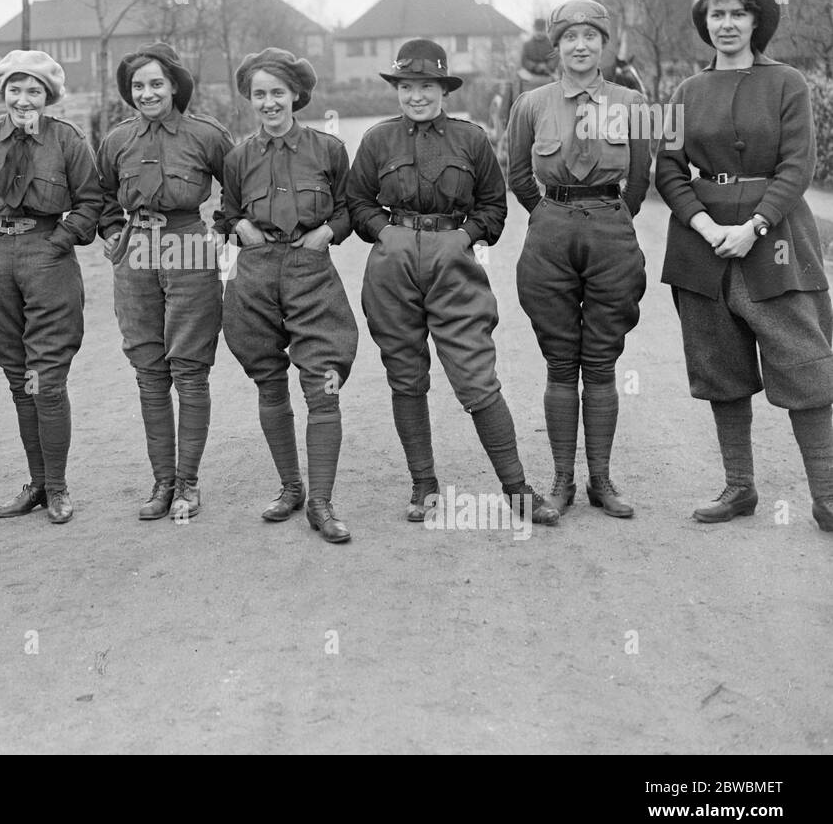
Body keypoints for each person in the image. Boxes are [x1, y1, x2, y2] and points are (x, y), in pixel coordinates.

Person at [346, 39, 559, 526]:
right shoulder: (378, 140)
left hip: (453, 265)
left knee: (476, 377)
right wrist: (387, 235)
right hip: (393, 267)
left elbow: (493, 207)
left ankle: (517, 489)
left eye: (426, 86)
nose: (416, 96)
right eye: (406, 86)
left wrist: (462, 237)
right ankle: (423, 485)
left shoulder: (471, 139)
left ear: (444, 89)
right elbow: (356, 202)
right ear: (396, 89)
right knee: (405, 376)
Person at [656, 0, 833, 532]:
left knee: (804, 368)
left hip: (776, 242)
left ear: (756, 22)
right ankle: (739, 489)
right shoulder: (686, 92)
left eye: (737, 14)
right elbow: (668, 168)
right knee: (720, 370)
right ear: (705, 25)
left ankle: (827, 497)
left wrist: (753, 225)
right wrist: (705, 224)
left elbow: (797, 167)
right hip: (700, 248)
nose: (726, 24)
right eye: (716, 15)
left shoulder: (787, 84)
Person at [506, 0, 652, 516]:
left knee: (603, 359)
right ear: (558, 48)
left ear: (603, 45)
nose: (581, 46)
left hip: (611, 230)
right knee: (561, 360)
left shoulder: (632, 103)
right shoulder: (531, 104)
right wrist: (551, 215)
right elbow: (519, 177)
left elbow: (639, 177)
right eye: (570, 37)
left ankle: (602, 482)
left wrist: (613, 217)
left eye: (591, 36)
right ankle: (563, 481)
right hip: (551, 230)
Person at [0, 51, 100, 524]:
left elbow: (92, 201)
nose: (23, 99)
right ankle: (35, 484)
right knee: (19, 380)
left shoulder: (67, 140)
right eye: (15, 89)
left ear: (48, 97)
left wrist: (57, 242)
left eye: (34, 90)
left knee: (48, 381)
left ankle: (57, 488)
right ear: (3, 93)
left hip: (48, 257)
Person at [216, 48, 357, 542]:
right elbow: (226, 212)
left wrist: (328, 233)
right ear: (250, 100)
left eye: (278, 92)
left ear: (296, 95)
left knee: (324, 382)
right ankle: (290, 487)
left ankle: (321, 501)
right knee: (268, 380)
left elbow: (349, 208)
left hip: (310, 273)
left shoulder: (328, 150)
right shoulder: (238, 157)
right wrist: (239, 227)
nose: (269, 103)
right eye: (259, 94)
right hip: (255, 276)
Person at [97, 42, 234, 521]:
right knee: (148, 371)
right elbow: (101, 196)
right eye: (138, 86)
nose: (147, 93)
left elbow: (237, 191)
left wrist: (218, 234)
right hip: (136, 249)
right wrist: (113, 232)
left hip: (187, 244)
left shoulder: (206, 135)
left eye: (157, 83)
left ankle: (188, 485)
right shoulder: (117, 140)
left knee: (189, 370)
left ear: (174, 86)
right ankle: (161, 483)